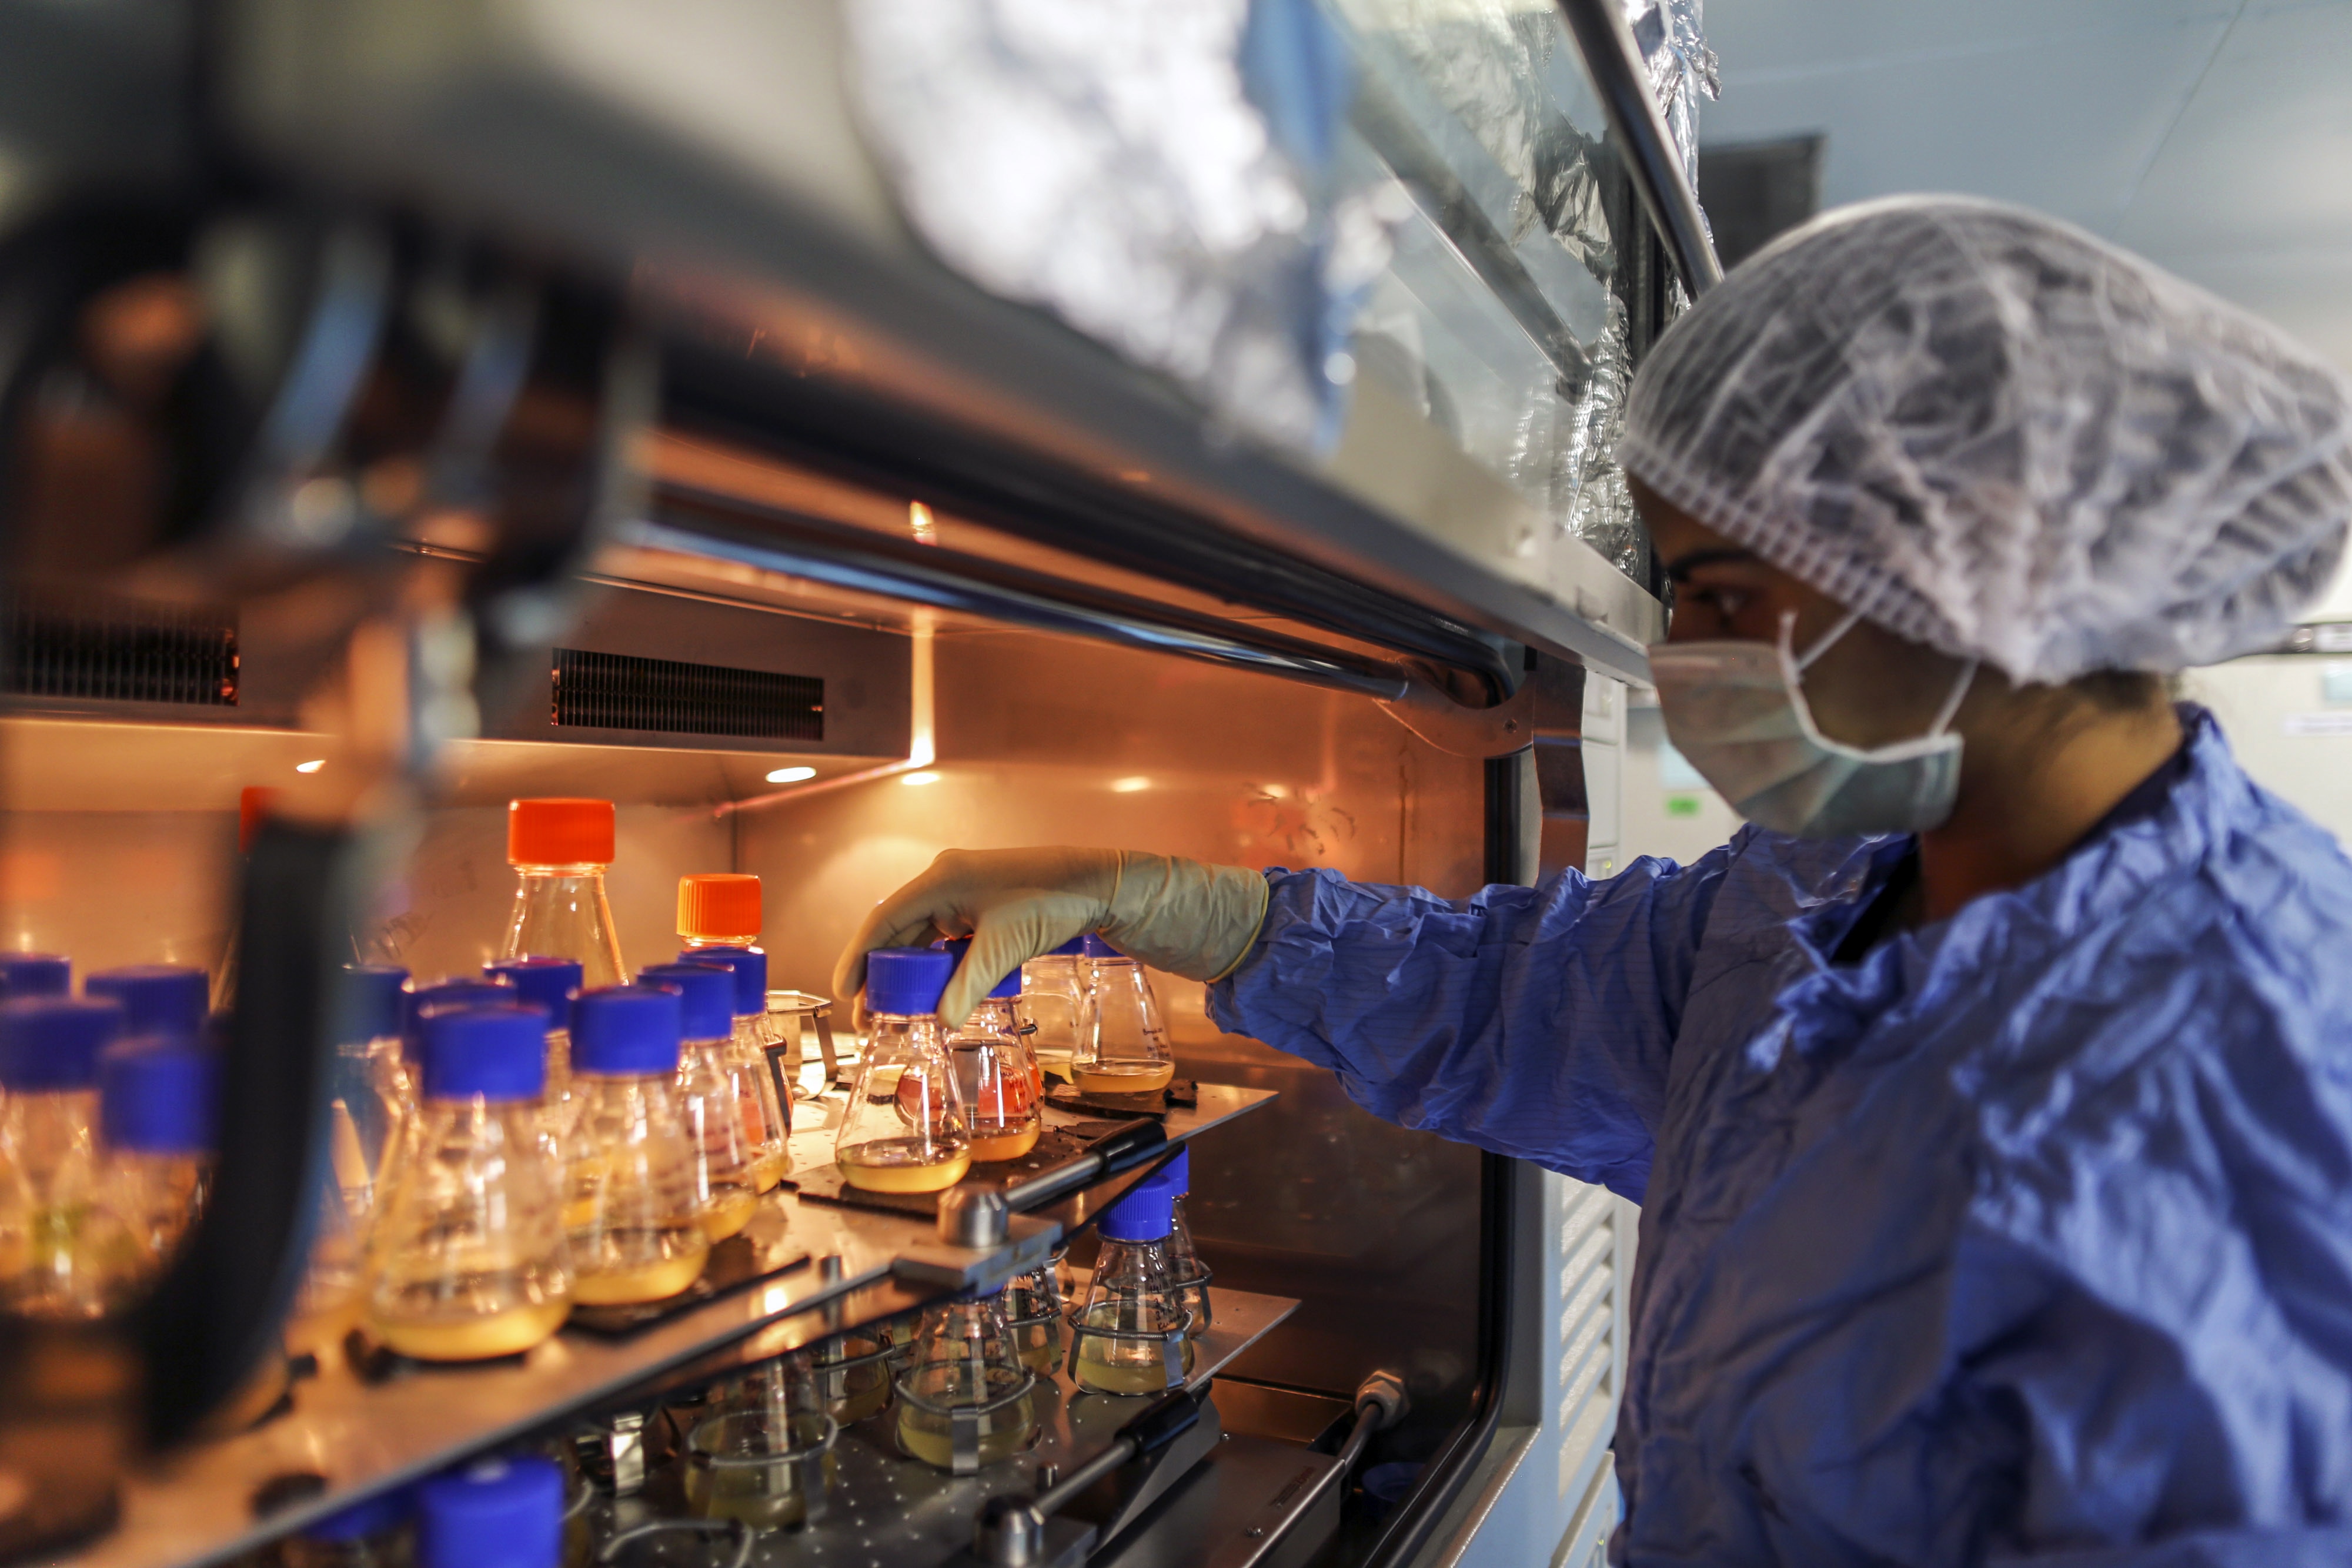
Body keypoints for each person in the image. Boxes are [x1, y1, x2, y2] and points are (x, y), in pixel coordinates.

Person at [836, 198, 2352, 1565]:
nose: (1686, 661)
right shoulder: (1833, 886)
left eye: (1725, 596)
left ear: (1973, 564)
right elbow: (1515, 998)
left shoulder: (2267, 1076)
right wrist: (1144, 892)